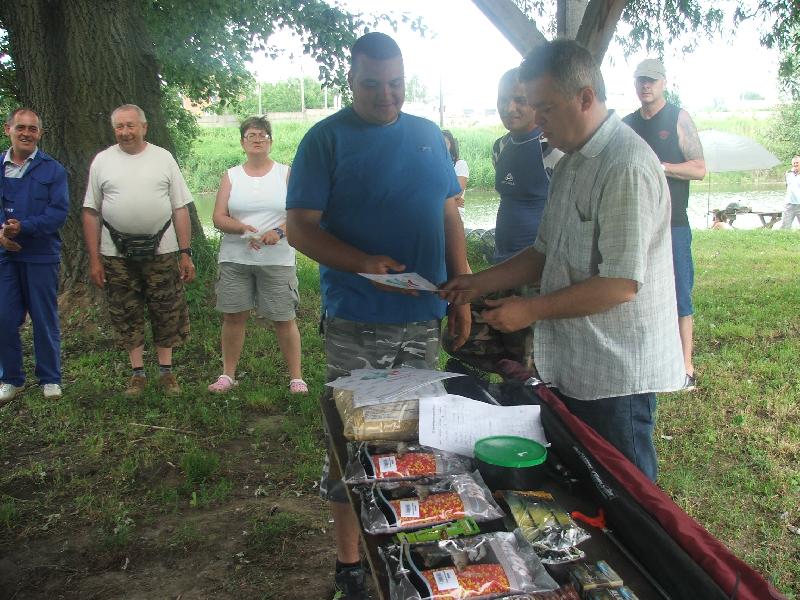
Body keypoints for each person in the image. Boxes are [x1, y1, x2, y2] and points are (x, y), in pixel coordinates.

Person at [440, 40, 684, 483]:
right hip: (575, 363)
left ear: (585, 98)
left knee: (626, 493)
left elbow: (620, 284)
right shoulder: (571, 162)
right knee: (579, 484)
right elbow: (544, 251)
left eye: (546, 109)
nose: (537, 120)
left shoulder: (625, 165)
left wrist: (530, 309)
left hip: (617, 373)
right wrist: (477, 283)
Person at [285, 32, 470, 600]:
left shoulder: (427, 136)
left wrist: (462, 291)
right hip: (358, 319)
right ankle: (350, 567)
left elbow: (449, 214)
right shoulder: (325, 139)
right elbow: (299, 228)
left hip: (423, 318)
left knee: (416, 439)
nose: (386, 95)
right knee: (355, 442)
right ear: (351, 80)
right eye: (372, 84)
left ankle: (407, 553)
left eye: (395, 83)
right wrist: (362, 262)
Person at [443, 67, 562, 372]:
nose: (510, 108)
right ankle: (512, 382)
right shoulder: (500, 147)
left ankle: (528, 388)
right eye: (503, 100)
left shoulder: (552, 148)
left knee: (531, 362)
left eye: (520, 100)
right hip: (501, 266)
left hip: (537, 272)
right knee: (458, 338)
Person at [82, 104, 195, 397]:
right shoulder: (102, 161)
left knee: (166, 309)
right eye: (119, 126)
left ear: (144, 127)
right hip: (115, 253)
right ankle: (137, 374)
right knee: (125, 311)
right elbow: (91, 211)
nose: (125, 132)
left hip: (162, 250)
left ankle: (166, 372)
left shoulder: (163, 158)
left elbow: (180, 208)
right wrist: (94, 259)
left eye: (130, 125)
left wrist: (185, 252)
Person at [622, 59, 706, 390]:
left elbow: (699, 168)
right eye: (641, 80)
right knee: (634, 293)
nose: (646, 86)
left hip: (673, 223)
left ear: (663, 84)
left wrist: (662, 167)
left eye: (652, 80)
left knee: (680, 294)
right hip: (637, 224)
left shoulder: (678, 118)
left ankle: (686, 367)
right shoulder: (627, 124)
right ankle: (646, 360)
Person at [207, 116, 307, 394]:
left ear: (271, 141)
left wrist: (279, 231)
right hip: (235, 258)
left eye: (263, 135)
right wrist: (241, 228)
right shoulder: (231, 176)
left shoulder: (286, 173)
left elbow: (299, 214)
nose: (257, 139)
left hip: (277, 259)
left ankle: (296, 378)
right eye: (251, 135)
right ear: (242, 142)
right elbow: (218, 217)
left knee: (284, 318)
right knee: (233, 316)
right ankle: (227, 375)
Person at [0, 108, 69, 403]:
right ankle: (10, 379)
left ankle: (50, 378)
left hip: (41, 255)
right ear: (8, 129)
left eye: (32, 129)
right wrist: (2, 233)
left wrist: (24, 227)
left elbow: (58, 213)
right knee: (3, 316)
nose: (26, 134)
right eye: (21, 128)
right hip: (5, 256)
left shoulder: (53, 170)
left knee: (44, 318)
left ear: (40, 133)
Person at [441, 129, 469, 221]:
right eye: (439, 143)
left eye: (446, 143)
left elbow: (457, 193)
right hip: (436, 213)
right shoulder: (432, 166)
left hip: (454, 214)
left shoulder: (459, 164)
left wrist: (437, 201)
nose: (442, 147)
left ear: (451, 146)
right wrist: (451, 201)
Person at [781, 155, 800, 229]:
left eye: (797, 162)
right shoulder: (788, 173)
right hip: (789, 204)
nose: (795, 164)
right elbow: (787, 186)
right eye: (794, 163)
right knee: (785, 227)